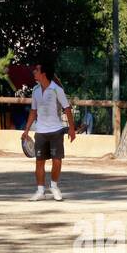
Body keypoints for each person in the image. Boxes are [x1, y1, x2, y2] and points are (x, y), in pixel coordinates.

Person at [21, 60, 76, 201]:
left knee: (57, 160)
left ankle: (54, 186)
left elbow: (67, 109)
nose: (34, 72)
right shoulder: (35, 90)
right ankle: (40, 191)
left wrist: (72, 129)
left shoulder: (57, 89)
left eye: (37, 70)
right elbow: (33, 111)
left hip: (56, 130)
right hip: (40, 132)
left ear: (43, 73)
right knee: (39, 161)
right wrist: (26, 130)